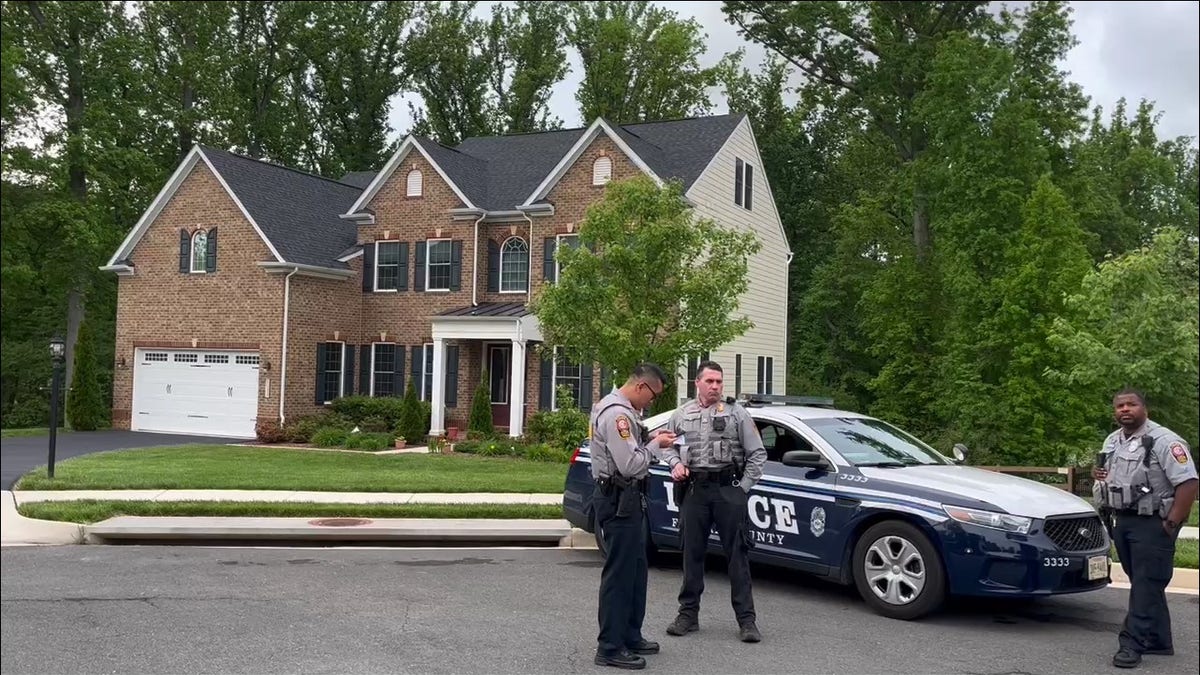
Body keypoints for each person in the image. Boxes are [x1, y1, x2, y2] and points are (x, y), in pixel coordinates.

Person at [661, 360, 767, 643]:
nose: (716, 387)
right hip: (694, 490)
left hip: (727, 489)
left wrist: (742, 488)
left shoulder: (736, 413)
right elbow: (667, 447)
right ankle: (688, 615)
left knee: (737, 556)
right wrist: (674, 464)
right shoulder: (681, 414)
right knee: (691, 553)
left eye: (719, 382)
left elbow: (757, 454)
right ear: (697, 383)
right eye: (710, 381)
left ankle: (747, 620)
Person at [1092, 388, 1198, 669]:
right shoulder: (1113, 440)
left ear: (1144, 408)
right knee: (1145, 583)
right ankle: (1159, 640)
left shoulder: (1165, 441)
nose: (1125, 410)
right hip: (1123, 519)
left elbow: (1188, 483)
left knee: (1145, 584)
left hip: (1154, 522)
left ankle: (1132, 644)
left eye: (1131, 404)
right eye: (1119, 406)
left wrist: (1172, 523)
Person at [589, 362, 677, 670]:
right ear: (641, 386)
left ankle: (629, 633)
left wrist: (650, 437)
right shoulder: (618, 415)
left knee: (636, 570)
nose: (652, 402)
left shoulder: (621, 410)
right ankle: (610, 646)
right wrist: (655, 446)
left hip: (627, 498)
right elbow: (631, 465)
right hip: (618, 499)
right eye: (653, 395)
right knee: (621, 574)